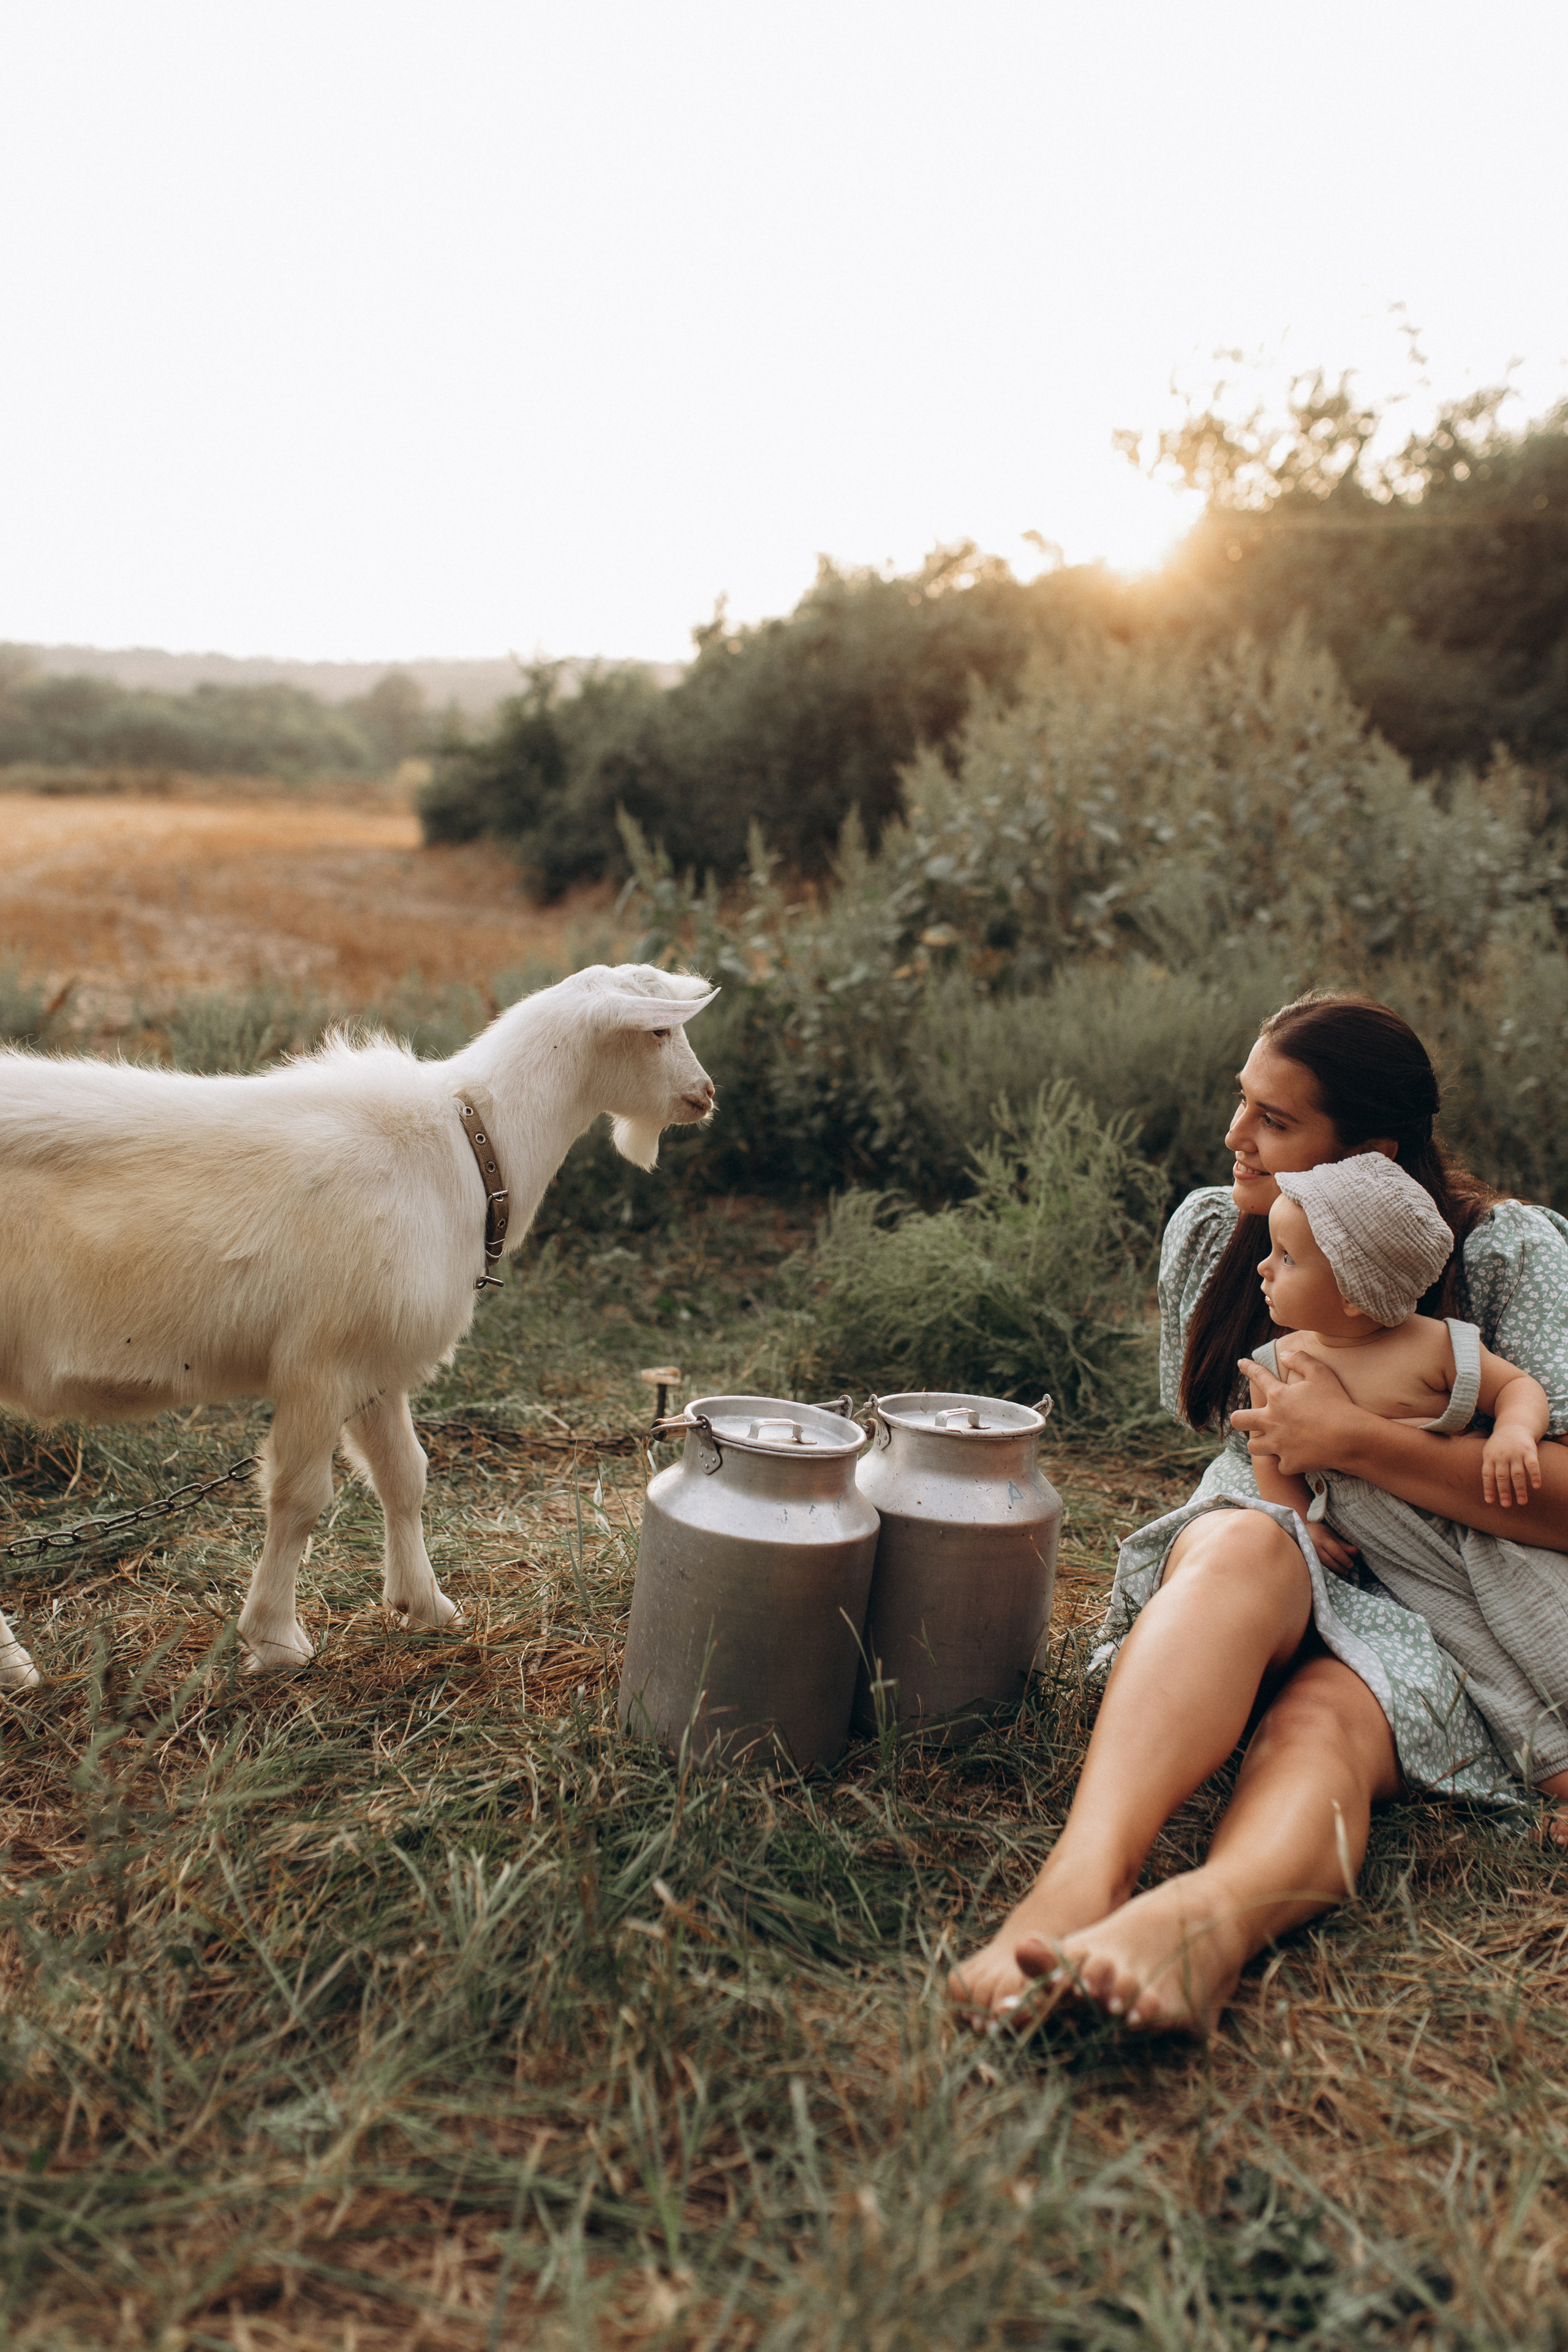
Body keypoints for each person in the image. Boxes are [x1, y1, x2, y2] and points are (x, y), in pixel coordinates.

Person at [949, 993, 1568, 2035]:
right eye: (1243, 1101)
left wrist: (1356, 1441)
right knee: (1242, 1542)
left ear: (1368, 1157)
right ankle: (1073, 1888)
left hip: (1449, 1603)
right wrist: (1303, 1483)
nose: (1236, 1135)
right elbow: (1246, 1454)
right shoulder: (1222, 1229)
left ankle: (1198, 1933)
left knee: (1324, 1719)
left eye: (1275, 1121)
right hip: (1281, 1545)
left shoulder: (1506, 1253)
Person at [1245, 1152, 1568, 1817]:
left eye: (1286, 1257)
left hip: (1488, 1538)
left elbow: (1518, 1387)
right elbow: (1267, 1454)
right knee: (1496, 1685)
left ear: (1354, 1292)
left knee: (1551, 1638)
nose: (1263, 1268)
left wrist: (1514, 1432)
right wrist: (1298, 1519)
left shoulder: (1434, 1346)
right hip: (1409, 1572)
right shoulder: (1283, 1362)